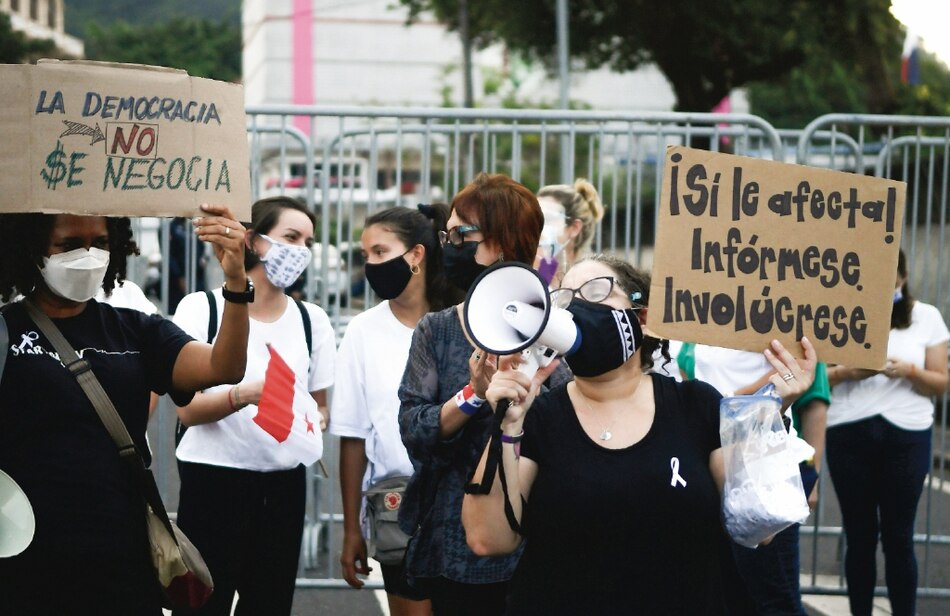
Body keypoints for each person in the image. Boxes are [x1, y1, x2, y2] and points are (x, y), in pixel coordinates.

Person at [462, 255, 818, 615]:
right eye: (566, 298)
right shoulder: (538, 418)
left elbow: (761, 526)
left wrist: (773, 408)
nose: (578, 308)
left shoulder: (696, 406)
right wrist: (507, 425)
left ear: (643, 318)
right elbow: (487, 538)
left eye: (597, 292)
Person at [0, 206, 249, 615]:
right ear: (32, 250)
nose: (88, 255)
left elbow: (224, 367)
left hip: (120, 551)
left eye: (99, 242)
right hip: (23, 553)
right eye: (69, 245)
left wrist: (236, 283)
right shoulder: (5, 331)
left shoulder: (136, 329)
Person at [397, 173, 572, 615]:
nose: (450, 244)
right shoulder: (437, 330)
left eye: (462, 234)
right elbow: (415, 430)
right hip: (457, 538)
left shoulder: (555, 332)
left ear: (505, 240)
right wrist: (473, 396)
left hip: (537, 536)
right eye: (447, 233)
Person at [171, 197, 337, 616]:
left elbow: (320, 406)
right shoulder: (202, 308)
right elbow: (186, 412)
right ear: (253, 240)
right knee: (203, 604)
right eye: (290, 238)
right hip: (214, 484)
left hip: (282, 487)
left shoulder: (310, 320)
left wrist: (314, 419)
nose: (301, 251)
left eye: (308, 243)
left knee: (270, 605)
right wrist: (243, 395)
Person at [332, 203, 459, 616]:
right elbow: (353, 437)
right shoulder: (363, 331)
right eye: (365, 255)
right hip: (398, 506)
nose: (370, 265)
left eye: (380, 253)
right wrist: (353, 528)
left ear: (416, 255)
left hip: (464, 498)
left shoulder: (461, 321)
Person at [825, 249, 948, 616]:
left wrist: (909, 370)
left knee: (899, 537)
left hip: (907, 434)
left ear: (903, 277)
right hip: (848, 431)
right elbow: (817, 376)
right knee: (859, 537)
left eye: (888, 274)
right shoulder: (837, 312)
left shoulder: (927, 317)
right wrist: (849, 371)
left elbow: (940, 383)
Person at [680, 342, 830, 615]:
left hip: (764, 473)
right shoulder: (696, 323)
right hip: (708, 470)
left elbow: (814, 400)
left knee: (773, 597)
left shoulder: (785, 319)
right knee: (726, 593)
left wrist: (813, 470)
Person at [534, 178, 605, 286]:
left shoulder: (592, 280)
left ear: (574, 228)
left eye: (547, 219)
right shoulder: (538, 273)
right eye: (532, 218)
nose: (534, 226)